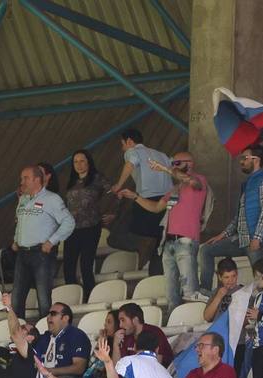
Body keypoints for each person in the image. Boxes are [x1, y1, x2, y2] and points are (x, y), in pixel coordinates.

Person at [120, 152, 209, 307]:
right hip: (168, 242)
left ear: (190, 163)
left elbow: (192, 181)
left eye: (177, 163)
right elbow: (156, 207)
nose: (173, 165)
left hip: (186, 239)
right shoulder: (174, 190)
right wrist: (135, 196)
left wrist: (165, 168)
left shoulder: (199, 180)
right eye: (172, 163)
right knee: (171, 293)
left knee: (189, 291)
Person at [198, 144, 263, 293]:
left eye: (244, 158)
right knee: (206, 250)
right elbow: (239, 216)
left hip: (258, 240)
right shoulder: (248, 183)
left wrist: (257, 237)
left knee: (262, 281)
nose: (241, 161)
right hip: (242, 238)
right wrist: (222, 235)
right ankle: (205, 293)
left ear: (256, 159)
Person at [11, 164, 75, 321]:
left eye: (25, 178)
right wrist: (16, 240)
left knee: (44, 298)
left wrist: (52, 241)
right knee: (16, 299)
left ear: (37, 180)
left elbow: (69, 222)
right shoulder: (23, 199)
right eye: (21, 179)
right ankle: (17, 335)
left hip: (41, 253)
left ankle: (47, 336)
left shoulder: (52, 199)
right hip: (23, 253)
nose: (22, 182)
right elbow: (19, 222)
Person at [110, 129, 173, 269]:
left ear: (130, 141)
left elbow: (130, 164)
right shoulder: (162, 155)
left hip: (146, 200)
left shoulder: (132, 151)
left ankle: (142, 249)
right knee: (159, 240)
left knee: (117, 235)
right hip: (166, 201)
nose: (122, 148)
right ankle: (153, 267)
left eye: (122, 144)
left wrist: (118, 185)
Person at [60, 150, 111, 293]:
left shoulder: (97, 178)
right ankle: (73, 294)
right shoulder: (71, 181)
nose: (79, 164)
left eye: (82, 161)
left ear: (89, 162)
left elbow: (113, 194)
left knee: (85, 265)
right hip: (71, 229)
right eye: (75, 161)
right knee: (68, 266)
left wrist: (111, 212)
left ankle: (89, 295)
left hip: (91, 226)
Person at [36, 301, 91, 378]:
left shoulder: (76, 335)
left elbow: (79, 367)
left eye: (53, 314)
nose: (48, 317)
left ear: (65, 318)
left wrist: (50, 372)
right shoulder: (45, 337)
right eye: (48, 314)